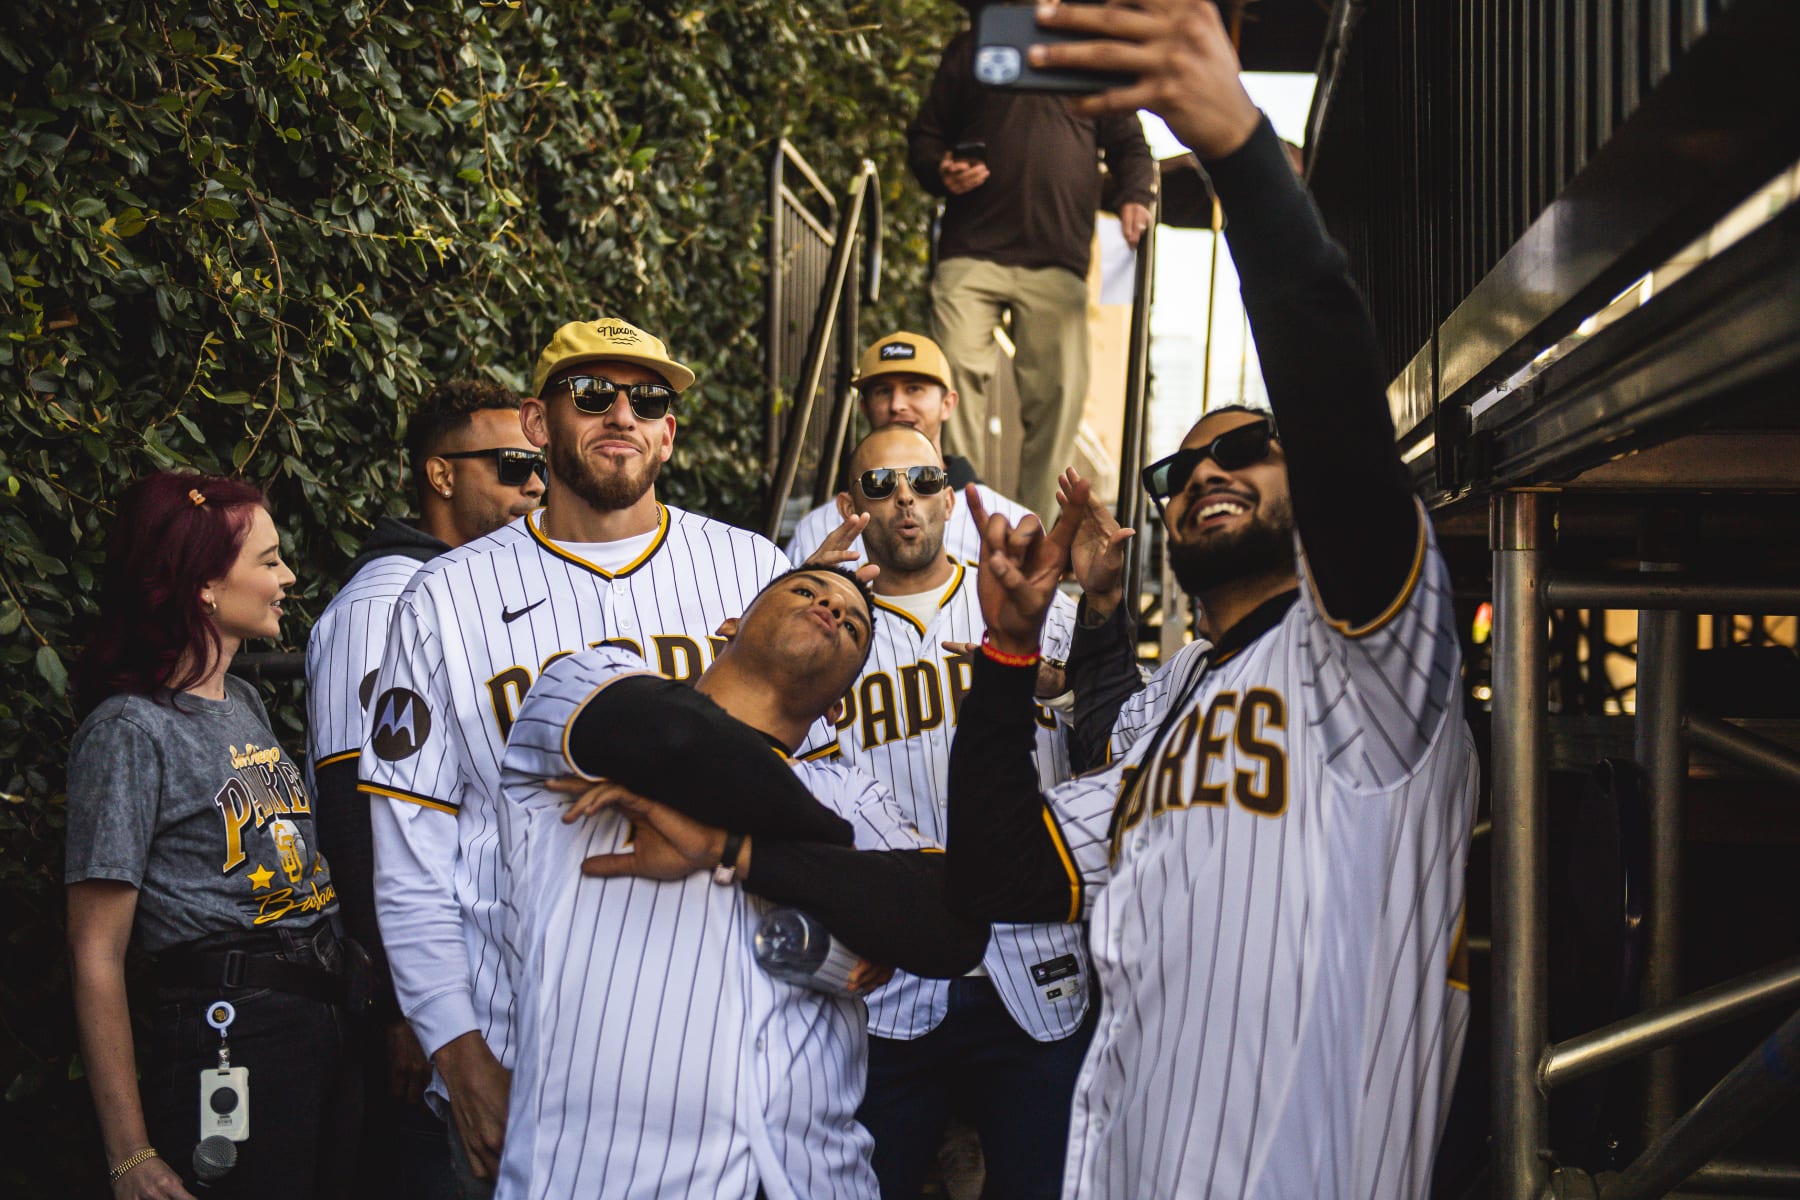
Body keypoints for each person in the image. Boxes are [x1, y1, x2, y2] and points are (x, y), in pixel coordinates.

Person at [942, 4, 1478, 1197]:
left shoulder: (1371, 669)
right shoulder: (1176, 699)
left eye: (1252, 448)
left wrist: (1238, 149)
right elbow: (1005, 874)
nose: (1209, 472)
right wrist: (1009, 641)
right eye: (1181, 469)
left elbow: (1342, 427)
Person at [360, 317, 830, 1195]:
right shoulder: (445, 596)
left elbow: (824, 791)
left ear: (669, 432)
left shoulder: (752, 572)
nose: (622, 413)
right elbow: (411, 850)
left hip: (729, 1048)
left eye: (647, 399)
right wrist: (459, 1060)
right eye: (593, 394)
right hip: (528, 1050)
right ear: (539, 424)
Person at [494, 565, 989, 1198]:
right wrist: (837, 870)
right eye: (807, 592)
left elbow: (954, 925)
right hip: (599, 1175)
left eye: (854, 623)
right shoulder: (587, 689)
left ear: (839, 704)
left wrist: (733, 850)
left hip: (811, 1177)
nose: (832, 609)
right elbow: (679, 740)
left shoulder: (849, 793)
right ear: (729, 627)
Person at [66, 472, 356, 1200]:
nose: (287, 576)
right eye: (268, 560)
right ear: (201, 584)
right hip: (229, 1037)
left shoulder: (244, 700)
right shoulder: (130, 731)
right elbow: (95, 951)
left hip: (317, 1018)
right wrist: (130, 1154)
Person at [828, 425, 1093, 1200]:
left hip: (1037, 967)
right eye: (881, 484)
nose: (903, 497)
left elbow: (1113, 739)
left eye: (921, 479)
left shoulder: (1034, 598)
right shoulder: (825, 627)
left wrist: (1099, 615)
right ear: (851, 507)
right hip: (890, 980)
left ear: (949, 495)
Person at [305, 380, 544, 1200]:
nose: (536, 486)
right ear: (441, 476)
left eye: (541, 467)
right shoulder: (385, 605)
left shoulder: (471, 593)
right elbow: (354, 816)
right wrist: (411, 1013)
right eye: (513, 466)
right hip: (430, 1030)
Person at [907, 2, 1155, 522]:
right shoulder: (977, 42)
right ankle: (966, 520)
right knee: (952, 377)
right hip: (972, 251)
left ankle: (1032, 530)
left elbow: (1132, 146)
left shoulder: (1088, 57)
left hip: (1057, 257)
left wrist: (1136, 194)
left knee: (1059, 396)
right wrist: (941, 168)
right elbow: (926, 137)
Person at [783, 332, 1036, 565]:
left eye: (914, 388)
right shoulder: (817, 529)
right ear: (864, 407)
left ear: (947, 404)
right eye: (883, 391)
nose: (897, 404)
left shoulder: (1008, 520)